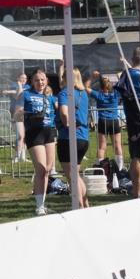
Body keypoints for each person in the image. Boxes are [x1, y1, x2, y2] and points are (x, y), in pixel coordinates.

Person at [18, 69, 57, 216]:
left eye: (42, 79)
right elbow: (16, 114)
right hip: (34, 133)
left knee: (48, 170)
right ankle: (39, 206)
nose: (40, 82)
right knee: (40, 169)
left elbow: (58, 110)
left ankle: (43, 204)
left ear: (46, 80)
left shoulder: (49, 96)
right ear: (32, 82)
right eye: (37, 80)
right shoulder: (26, 94)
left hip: (49, 132)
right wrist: (27, 115)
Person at [56, 67, 91, 208]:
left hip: (69, 138)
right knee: (75, 174)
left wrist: (67, 124)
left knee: (71, 176)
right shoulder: (83, 93)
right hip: (84, 137)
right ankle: (86, 203)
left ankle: (79, 205)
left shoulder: (65, 93)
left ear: (65, 78)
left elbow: (64, 113)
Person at [115, 49, 140, 198]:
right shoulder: (135, 75)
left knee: (139, 155)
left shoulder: (128, 74)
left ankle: (139, 190)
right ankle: (138, 191)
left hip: (136, 119)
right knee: (138, 155)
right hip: (139, 119)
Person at [91, 75, 124, 169]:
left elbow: (86, 88)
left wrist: (92, 78)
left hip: (103, 121)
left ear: (100, 86)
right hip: (114, 121)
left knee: (102, 146)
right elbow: (121, 84)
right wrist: (119, 76)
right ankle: (120, 168)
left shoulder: (98, 95)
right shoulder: (116, 94)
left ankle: (100, 168)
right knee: (117, 145)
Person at [4, 73, 28, 162]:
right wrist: (18, 86)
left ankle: (23, 157)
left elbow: (20, 92)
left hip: (25, 113)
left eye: (25, 78)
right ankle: (17, 156)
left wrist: (9, 91)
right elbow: (17, 94)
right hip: (16, 113)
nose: (24, 80)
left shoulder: (28, 86)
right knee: (20, 135)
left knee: (24, 136)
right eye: (22, 78)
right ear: (18, 78)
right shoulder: (14, 85)